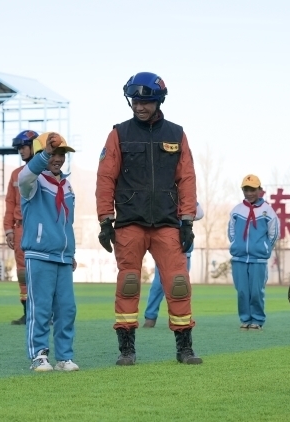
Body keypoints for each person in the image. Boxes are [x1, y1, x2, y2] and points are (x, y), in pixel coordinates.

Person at [96, 71, 201, 365]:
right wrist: (105, 220)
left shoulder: (176, 134)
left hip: (167, 223)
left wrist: (187, 221)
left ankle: (184, 348)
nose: (139, 107)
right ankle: (126, 349)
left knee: (178, 283)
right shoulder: (118, 134)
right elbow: (105, 178)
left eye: (145, 102)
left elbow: (187, 179)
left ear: (159, 101)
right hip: (129, 223)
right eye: (135, 101)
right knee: (129, 282)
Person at [19, 132, 79, 372]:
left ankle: (64, 357)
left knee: (67, 309)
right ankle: (39, 355)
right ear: (41, 153)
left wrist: (71, 251)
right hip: (39, 255)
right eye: (54, 153)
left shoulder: (67, 184)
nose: (58, 158)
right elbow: (24, 176)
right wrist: (44, 155)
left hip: (63, 256)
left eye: (62, 153)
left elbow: (68, 223)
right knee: (40, 308)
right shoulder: (32, 182)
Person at [228, 174, 280, 330]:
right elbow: (231, 231)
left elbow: (274, 233)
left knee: (256, 292)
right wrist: (236, 244)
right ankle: (245, 319)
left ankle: (257, 320)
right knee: (242, 292)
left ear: (259, 190)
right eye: (246, 189)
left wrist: (265, 247)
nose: (249, 193)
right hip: (239, 258)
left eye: (252, 189)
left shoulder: (267, 211)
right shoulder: (237, 210)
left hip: (259, 259)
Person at [143, 202, 204, 328]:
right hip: (164, 250)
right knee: (158, 285)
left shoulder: (186, 199)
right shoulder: (162, 197)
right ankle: (150, 317)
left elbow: (199, 213)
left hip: (184, 252)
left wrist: (187, 202)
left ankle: (180, 317)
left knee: (180, 286)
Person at [3, 130, 38, 325]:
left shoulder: (47, 172)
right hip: (20, 229)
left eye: (23, 147)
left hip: (41, 229)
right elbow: (10, 202)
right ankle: (28, 313)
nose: (21, 151)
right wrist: (8, 229)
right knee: (23, 272)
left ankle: (46, 314)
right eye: (19, 148)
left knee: (42, 271)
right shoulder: (16, 174)